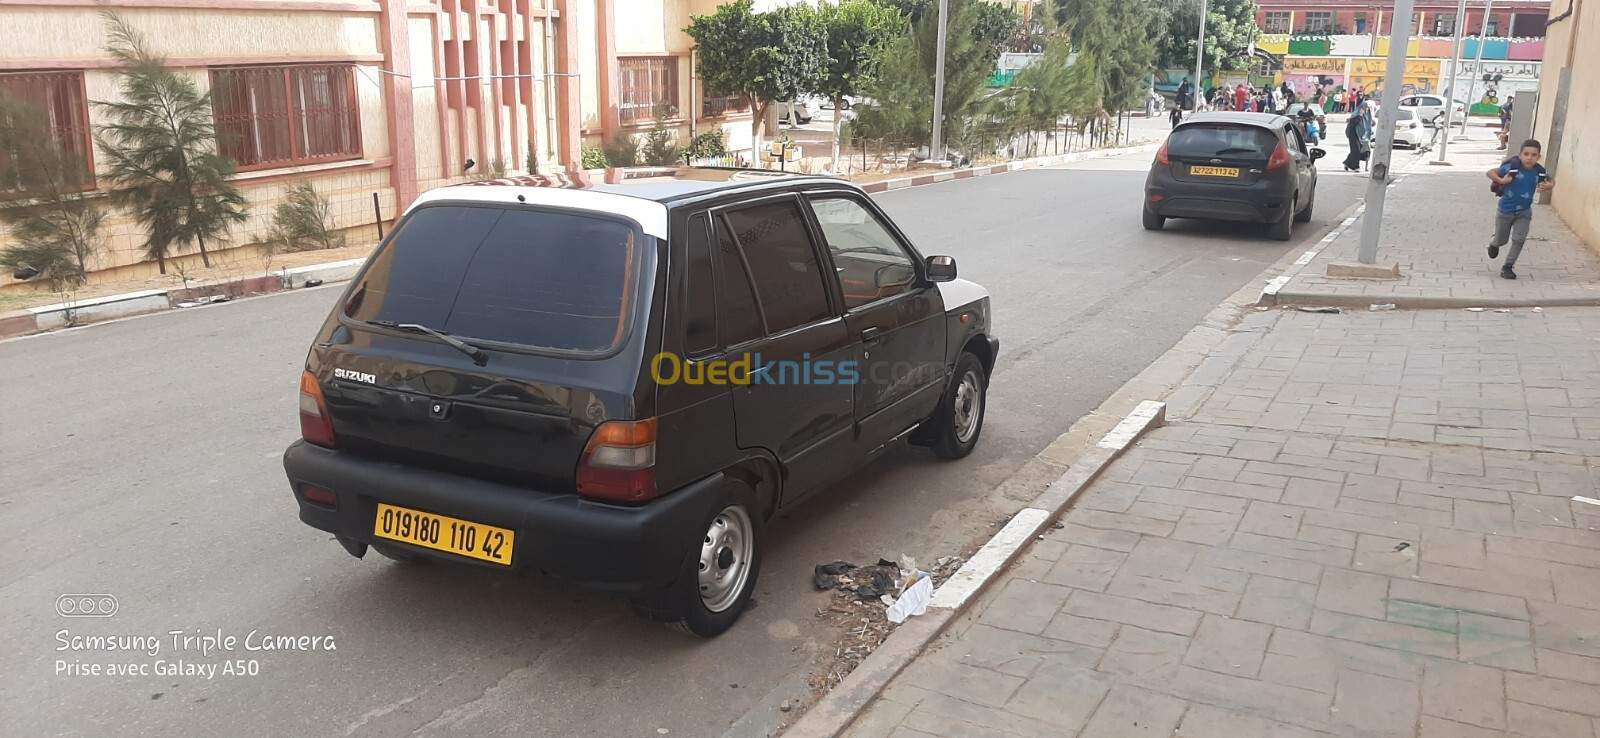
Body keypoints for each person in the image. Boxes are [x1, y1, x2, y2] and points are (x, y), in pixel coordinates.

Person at [1486, 139, 1556, 280]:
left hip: (1524, 212)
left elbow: (1551, 180)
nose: (1529, 158)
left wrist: (1550, 186)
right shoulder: (1512, 168)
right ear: (1520, 155)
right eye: (1526, 154)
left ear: (1539, 157)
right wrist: (1502, 181)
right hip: (1505, 211)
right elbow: (1490, 172)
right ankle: (1494, 244)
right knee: (1501, 240)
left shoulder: (1539, 172)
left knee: (1519, 239)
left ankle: (1508, 266)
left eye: (1533, 155)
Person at [1343, 101, 1374, 171]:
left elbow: (1368, 127)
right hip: (1354, 134)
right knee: (1355, 150)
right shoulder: (1356, 114)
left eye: (1368, 108)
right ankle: (1356, 167)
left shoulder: (1368, 116)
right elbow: (1352, 122)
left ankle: (1347, 163)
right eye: (1365, 108)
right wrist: (1359, 115)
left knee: (1361, 150)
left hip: (1363, 136)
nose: (1366, 109)